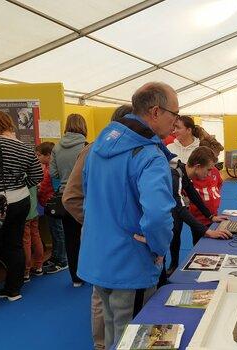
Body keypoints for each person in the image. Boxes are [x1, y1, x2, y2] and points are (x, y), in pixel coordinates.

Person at [78, 82, 178, 349]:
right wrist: (159, 248)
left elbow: (88, 198)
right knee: (133, 338)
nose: (175, 122)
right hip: (130, 263)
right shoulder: (149, 155)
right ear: (156, 112)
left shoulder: (97, 147)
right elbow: (158, 215)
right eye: (174, 114)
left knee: (113, 331)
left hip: (98, 257)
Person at [62, 104, 132, 350]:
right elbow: (71, 197)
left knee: (112, 297)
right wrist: (98, 221)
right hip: (103, 238)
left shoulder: (125, 151)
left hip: (115, 238)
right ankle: (102, 344)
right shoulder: (93, 151)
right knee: (101, 296)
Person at [0, 110, 43, 301]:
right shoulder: (24, 147)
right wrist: (21, 185)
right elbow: (37, 175)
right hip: (21, 200)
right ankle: (14, 289)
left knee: (2, 244)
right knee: (15, 244)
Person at [167, 146, 231, 275]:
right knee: (171, 238)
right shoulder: (176, 177)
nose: (208, 174)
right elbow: (180, 209)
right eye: (207, 170)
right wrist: (207, 232)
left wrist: (211, 216)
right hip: (157, 217)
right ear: (197, 166)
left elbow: (193, 195)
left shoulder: (184, 172)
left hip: (169, 211)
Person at [50, 113, 88, 283]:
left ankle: (76, 278)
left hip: (65, 197)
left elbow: (53, 173)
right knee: (88, 236)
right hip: (85, 197)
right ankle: (89, 272)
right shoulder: (87, 147)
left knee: (70, 239)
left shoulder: (56, 147)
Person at [35, 141, 67, 273]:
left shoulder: (52, 170)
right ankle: (55, 256)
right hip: (47, 205)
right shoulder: (47, 168)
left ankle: (62, 260)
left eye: (38, 155)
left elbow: (52, 187)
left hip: (54, 206)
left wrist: (39, 188)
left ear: (48, 155)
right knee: (54, 232)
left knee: (58, 232)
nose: (37, 158)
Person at [189, 137, 225, 227]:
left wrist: (213, 194)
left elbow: (219, 183)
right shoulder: (192, 176)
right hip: (199, 219)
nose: (215, 162)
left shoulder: (214, 171)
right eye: (214, 158)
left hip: (212, 215)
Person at [22, 186, 44, 282]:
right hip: (35, 212)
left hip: (24, 214)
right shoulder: (32, 174)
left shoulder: (19, 176)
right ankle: (39, 267)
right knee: (36, 237)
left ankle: (26, 272)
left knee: (26, 242)